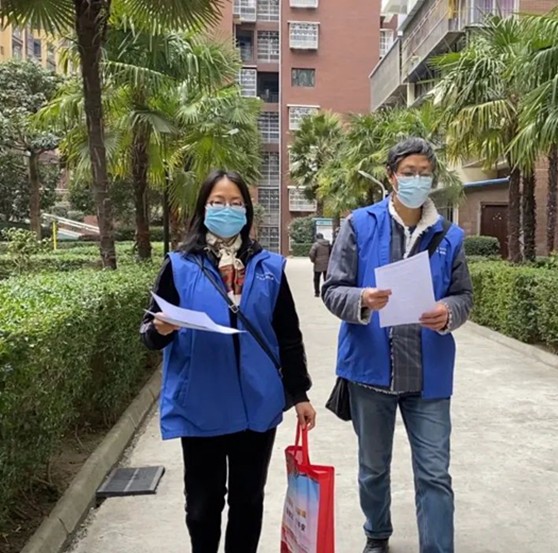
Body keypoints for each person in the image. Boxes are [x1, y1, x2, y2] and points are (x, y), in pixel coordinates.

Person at [140, 169, 316, 553]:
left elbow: (288, 335)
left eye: (236, 203)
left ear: (247, 211)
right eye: (218, 202)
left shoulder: (269, 267)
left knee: (248, 501)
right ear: (203, 208)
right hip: (201, 405)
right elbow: (149, 333)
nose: (227, 209)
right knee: (202, 507)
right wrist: (162, 329)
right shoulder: (179, 265)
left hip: (257, 405)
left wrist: (299, 393)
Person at [321, 137, 473, 553]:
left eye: (424, 173)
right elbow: (332, 289)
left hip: (429, 376)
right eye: (408, 172)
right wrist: (362, 300)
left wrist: (449, 312)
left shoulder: (449, 235)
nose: (416, 179)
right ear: (391, 176)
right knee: (373, 469)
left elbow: (463, 295)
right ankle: (377, 533)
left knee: (435, 473)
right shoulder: (359, 225)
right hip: (370, 372)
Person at [309, 232, 331, 297]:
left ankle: (317, 292)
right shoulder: (328, 244)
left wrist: (313, 260)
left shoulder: (316, 245)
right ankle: (326, 292)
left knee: (316, 279)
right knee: (326, 279)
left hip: (318, 264)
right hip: (327, 263)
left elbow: (311, 253)